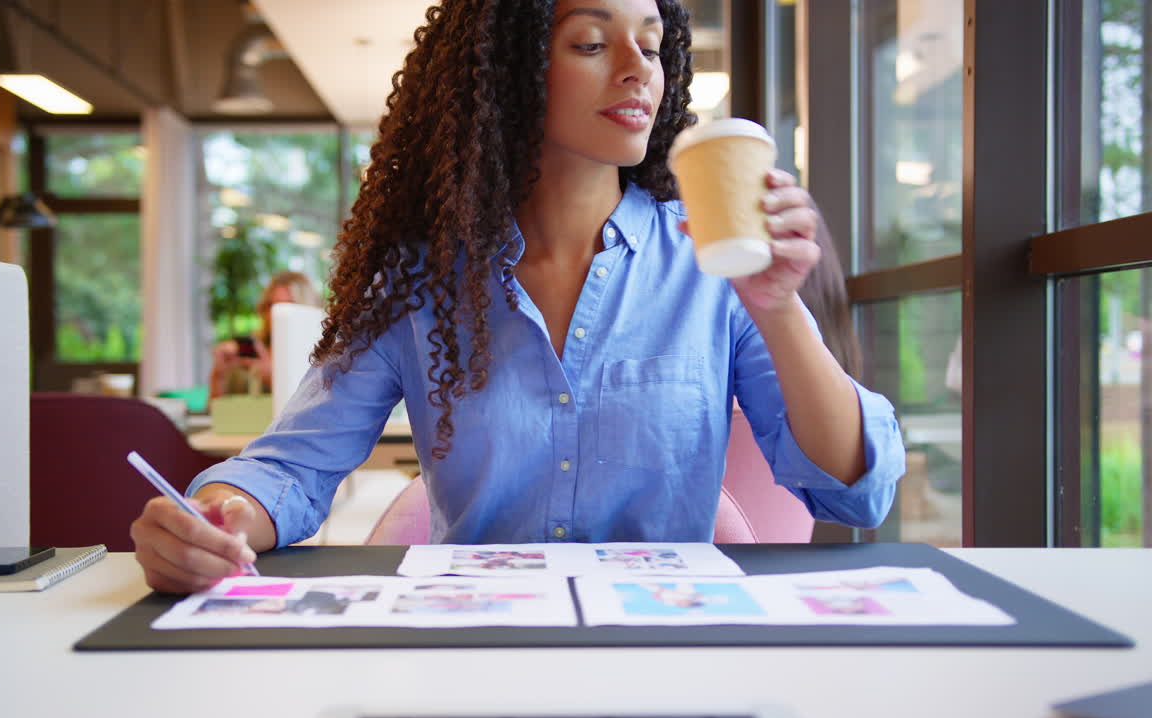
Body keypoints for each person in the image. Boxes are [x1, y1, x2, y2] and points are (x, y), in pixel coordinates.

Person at [132, 0, 905, 593]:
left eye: (651, 45)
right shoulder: (419, 280)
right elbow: (293, 467)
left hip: (665, 647)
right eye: (592, 43)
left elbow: (855, 490)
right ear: (510, 69)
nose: (637, 69)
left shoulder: (708, 259)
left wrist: (777, 308)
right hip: (475, 648)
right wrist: (217, 519)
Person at [209, 270, 321, 399]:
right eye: (271, 305)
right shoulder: (254, 350)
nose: (275, 313)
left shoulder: (319, 357)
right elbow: (216, 407)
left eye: (287, 305)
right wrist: (219, 375)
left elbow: (312, 406)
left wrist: (272, 378)